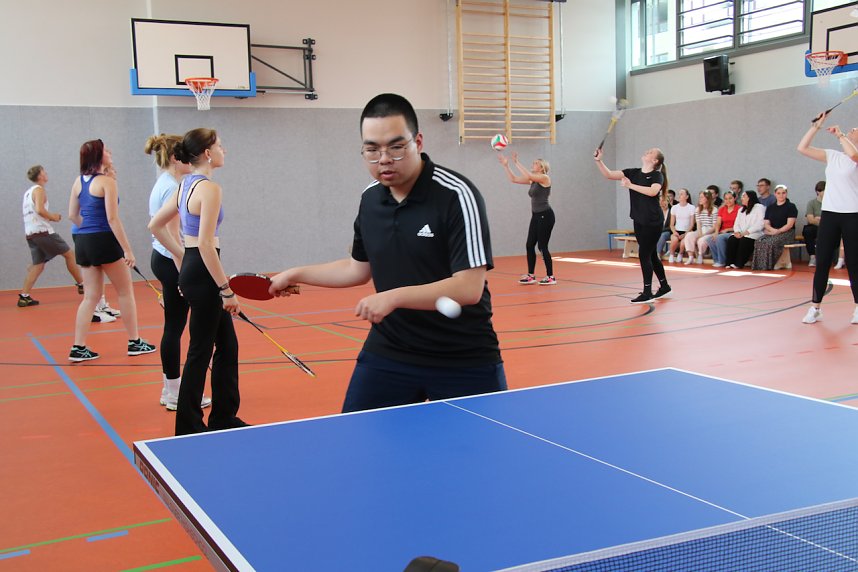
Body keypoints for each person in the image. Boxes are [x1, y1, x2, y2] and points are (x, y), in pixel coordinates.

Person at [269, 93, 506, 413]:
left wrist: (392, 297)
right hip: (390, 351)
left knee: (477, 459)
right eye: (372, 149)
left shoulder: (456, 195)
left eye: (396, 147)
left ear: (418, 141)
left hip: (462, 357)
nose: (383, 159)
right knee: (362, 446)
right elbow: (357, 269)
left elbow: (468, 287)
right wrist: (296, 274)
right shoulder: (370, 201)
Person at [149, 128, 247, 434]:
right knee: (201, 350)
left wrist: (183, 261)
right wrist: (226, 289)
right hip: (203, 271)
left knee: (227, 346)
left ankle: (223, 417)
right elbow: (206, 244)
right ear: (207, 153)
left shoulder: (183, 185)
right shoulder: (209, 189)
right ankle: (189, 425)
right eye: (220, 146)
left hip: (194, 267)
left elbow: (155, 225)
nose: (224, 151)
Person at [67, 139, 155, 362]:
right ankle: (135, 342)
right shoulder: (107, 182)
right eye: (106, 150)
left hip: (83, 241)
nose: (110, 152)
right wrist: (128, 250)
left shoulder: (78, 182)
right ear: (98, 155)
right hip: (104, 239)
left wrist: (87, 229)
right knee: (125, 292)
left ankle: (78, 347)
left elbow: (72, 215)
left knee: (90, 297)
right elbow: (113, 219)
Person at [145, 133, 211, 411]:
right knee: (175, 327)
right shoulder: (171, 186)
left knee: (175, 324)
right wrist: (186, 271)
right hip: (171, 260)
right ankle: (172, 391)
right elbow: (170, 235)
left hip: (165, 261)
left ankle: (171, 388)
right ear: (175, 159)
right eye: (183, 155)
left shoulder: (170, 182)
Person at [796, 112, 858, 324]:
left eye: (856, 131)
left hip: (853, 215)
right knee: (822, 261)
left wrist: (841, 135)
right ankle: (815, 308)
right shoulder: (833, 155)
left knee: (854, 262)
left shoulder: (855, 158)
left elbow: (854, 155)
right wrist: (816, 126)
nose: (853, 130)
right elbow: (802, 148)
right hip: (830, 214)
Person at [594, 145, 671, 303]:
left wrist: (630, 186)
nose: (646, 151)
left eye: (650, 152)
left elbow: (652, 192)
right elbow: (609, 174)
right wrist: (599, 161)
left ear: (655, 160)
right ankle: (664, 287)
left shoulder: (657, 175)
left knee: (644, 254)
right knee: (651, 254)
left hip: (653, 220)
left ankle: (647, 292)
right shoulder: (633, 172)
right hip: (639, 219)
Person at [19, 165, 84, 307]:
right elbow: (40, 210)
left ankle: (24, 296)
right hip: (42, 231)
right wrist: (53, 217)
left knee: (38, 265)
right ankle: (82, 284)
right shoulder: (39, 190)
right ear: (40, 176)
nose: (46, 174)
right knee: (69, 254)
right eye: (44, 172)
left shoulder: (28, 193)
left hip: (30, 233)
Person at [497, 151, 556, 285]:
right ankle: (531, 275)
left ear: (541, 167)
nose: (533, 164)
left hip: (546, 216)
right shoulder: (533, 180)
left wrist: (516, 162)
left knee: (542, 246)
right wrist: (506, 166)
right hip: (535, 216)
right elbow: (514, 179)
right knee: (529, 245)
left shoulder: (545, 178)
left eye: (536, 163)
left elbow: (529, 175)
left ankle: (551, 276)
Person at [751, 184, 797, 270]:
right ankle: (760, 265)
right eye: (778, 193)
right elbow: (766, 223)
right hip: (772, 231)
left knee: (771, 242)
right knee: (759, 241)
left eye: (783, 193)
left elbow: (789, 224)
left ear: (786, 194)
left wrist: (777, 231)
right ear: (775, 194)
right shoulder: (770, 207)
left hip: (787, 232)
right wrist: (772, 230)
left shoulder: (791, 206)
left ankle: (773, 264)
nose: (781, 195)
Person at [724, 190, 765, 269]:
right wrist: (737, 232)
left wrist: (747, 232)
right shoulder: (741, 210)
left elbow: (760, 223)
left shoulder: (759, 207)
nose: (742, 198)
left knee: (745, 240)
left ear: (750, 198)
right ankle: (729, 262)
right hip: (741, 233)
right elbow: (736, 223)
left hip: (754, 233)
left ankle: (739, 263)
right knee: (732, 239)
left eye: (744, 196)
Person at [682, 189, 717, 264]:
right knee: (689, 235)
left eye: (702, 197)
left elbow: (714, 227)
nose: (700, 199)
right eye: (699, 197)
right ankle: (691, 256)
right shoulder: (698, 209)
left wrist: (703, 235)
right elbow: (698, 224)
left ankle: (700, 255)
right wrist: (700, 234)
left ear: (707, 198)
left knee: (701, 240)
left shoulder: (714, 210)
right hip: (701, 230)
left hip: (710, 231)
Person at [708, 190, 739, 267]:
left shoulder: (739, 209)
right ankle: (717, 260)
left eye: (730, 198)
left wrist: (728, 229)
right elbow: (718, 223)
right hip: (723, 231)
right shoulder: (722, 209)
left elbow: (740, 224)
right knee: (710, 239)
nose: (728, 201)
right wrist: (716, 232)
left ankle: (722, 261)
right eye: (726, 199)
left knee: (720, 238)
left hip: (733, 231)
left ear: (735, 198)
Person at [667, 188, 695, 263]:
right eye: (679, 194)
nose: (680, 195)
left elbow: (692, 224)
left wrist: (685, 234)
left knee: (683, 242)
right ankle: (672, 254)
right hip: (677, 230)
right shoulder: (674, 207)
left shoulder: (691, 207)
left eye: (682, 194)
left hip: (687, 231)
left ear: (687, 196)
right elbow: (671, 224)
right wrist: (674, 232)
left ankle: (680, 254)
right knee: (675, 240)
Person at [803, 180, 825, 267]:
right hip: (815, 227)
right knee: (807, 231)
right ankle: (813, 256)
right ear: (818, 192)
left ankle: (824, 258)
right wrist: (820, 220)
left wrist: (819, 219)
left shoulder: (831, 203)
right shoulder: (812, 203)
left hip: (827, 227)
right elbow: (810, 219)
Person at [655, 194, 672, 259]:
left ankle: (658, 254)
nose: (662, 203)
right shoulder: (657, 212)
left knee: (663, 235)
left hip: (668, 232)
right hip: (657, 231)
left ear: (668, 202)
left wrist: (660, 230)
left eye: (664, 201)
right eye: (661, 201)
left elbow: (671, 226)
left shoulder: (672, 211)